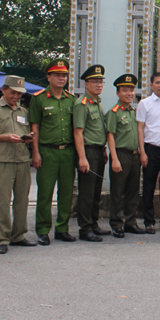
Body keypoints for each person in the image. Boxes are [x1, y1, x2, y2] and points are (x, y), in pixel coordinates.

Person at [0, 75, 36, 254]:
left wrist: (28, 138)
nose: (16, 97)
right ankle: (2, 238)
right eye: (13, 93)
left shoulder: (23, 111)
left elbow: (26, 132)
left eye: (19, 94)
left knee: (22, 200)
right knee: (2, 201)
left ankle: (18, 235)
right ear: (3, 90)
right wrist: (5, 138)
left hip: (21, 160)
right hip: (2, 160)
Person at [30, 59, 77, 245]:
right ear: (48, 77)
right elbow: (35, 127)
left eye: (64, 75)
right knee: (45, 193)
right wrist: (35, 152)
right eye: (57, 75)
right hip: (47, 151)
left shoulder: (71, 99)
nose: (61, 78)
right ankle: (42, 230)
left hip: (67, 152)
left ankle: (62, 228)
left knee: (66, 193)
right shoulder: (39, 98)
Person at [106, 74, 146, 238]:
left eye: (131, 90)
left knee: (133, 191)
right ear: (118, 93)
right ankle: (116, 224)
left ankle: (130, 222)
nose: (129, 94)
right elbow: (110, 136)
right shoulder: (114, 112)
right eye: (125, 90)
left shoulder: (133, 112)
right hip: (121, 155)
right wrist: (114, 158)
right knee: (117, 191)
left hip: (134, 155)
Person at [73, 64, 109, 242]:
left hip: (98, 151)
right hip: (87, 152)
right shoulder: (82, 104)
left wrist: (103, 149)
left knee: (95, 192)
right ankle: (85, 228)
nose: (99, 85)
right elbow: (78, 132)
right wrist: (82, 158)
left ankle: (94, 224)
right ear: (86, 84)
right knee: (86, 192)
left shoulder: (97, 103)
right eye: (95, 81)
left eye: (101, 81)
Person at [137, 72, 160, 234]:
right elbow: (140, 128)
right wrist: (142, 152)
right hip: (151, 150)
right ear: (152, 85)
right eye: (158, 83)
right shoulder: (144, 104)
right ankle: (149, 221)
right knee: (149, 187)